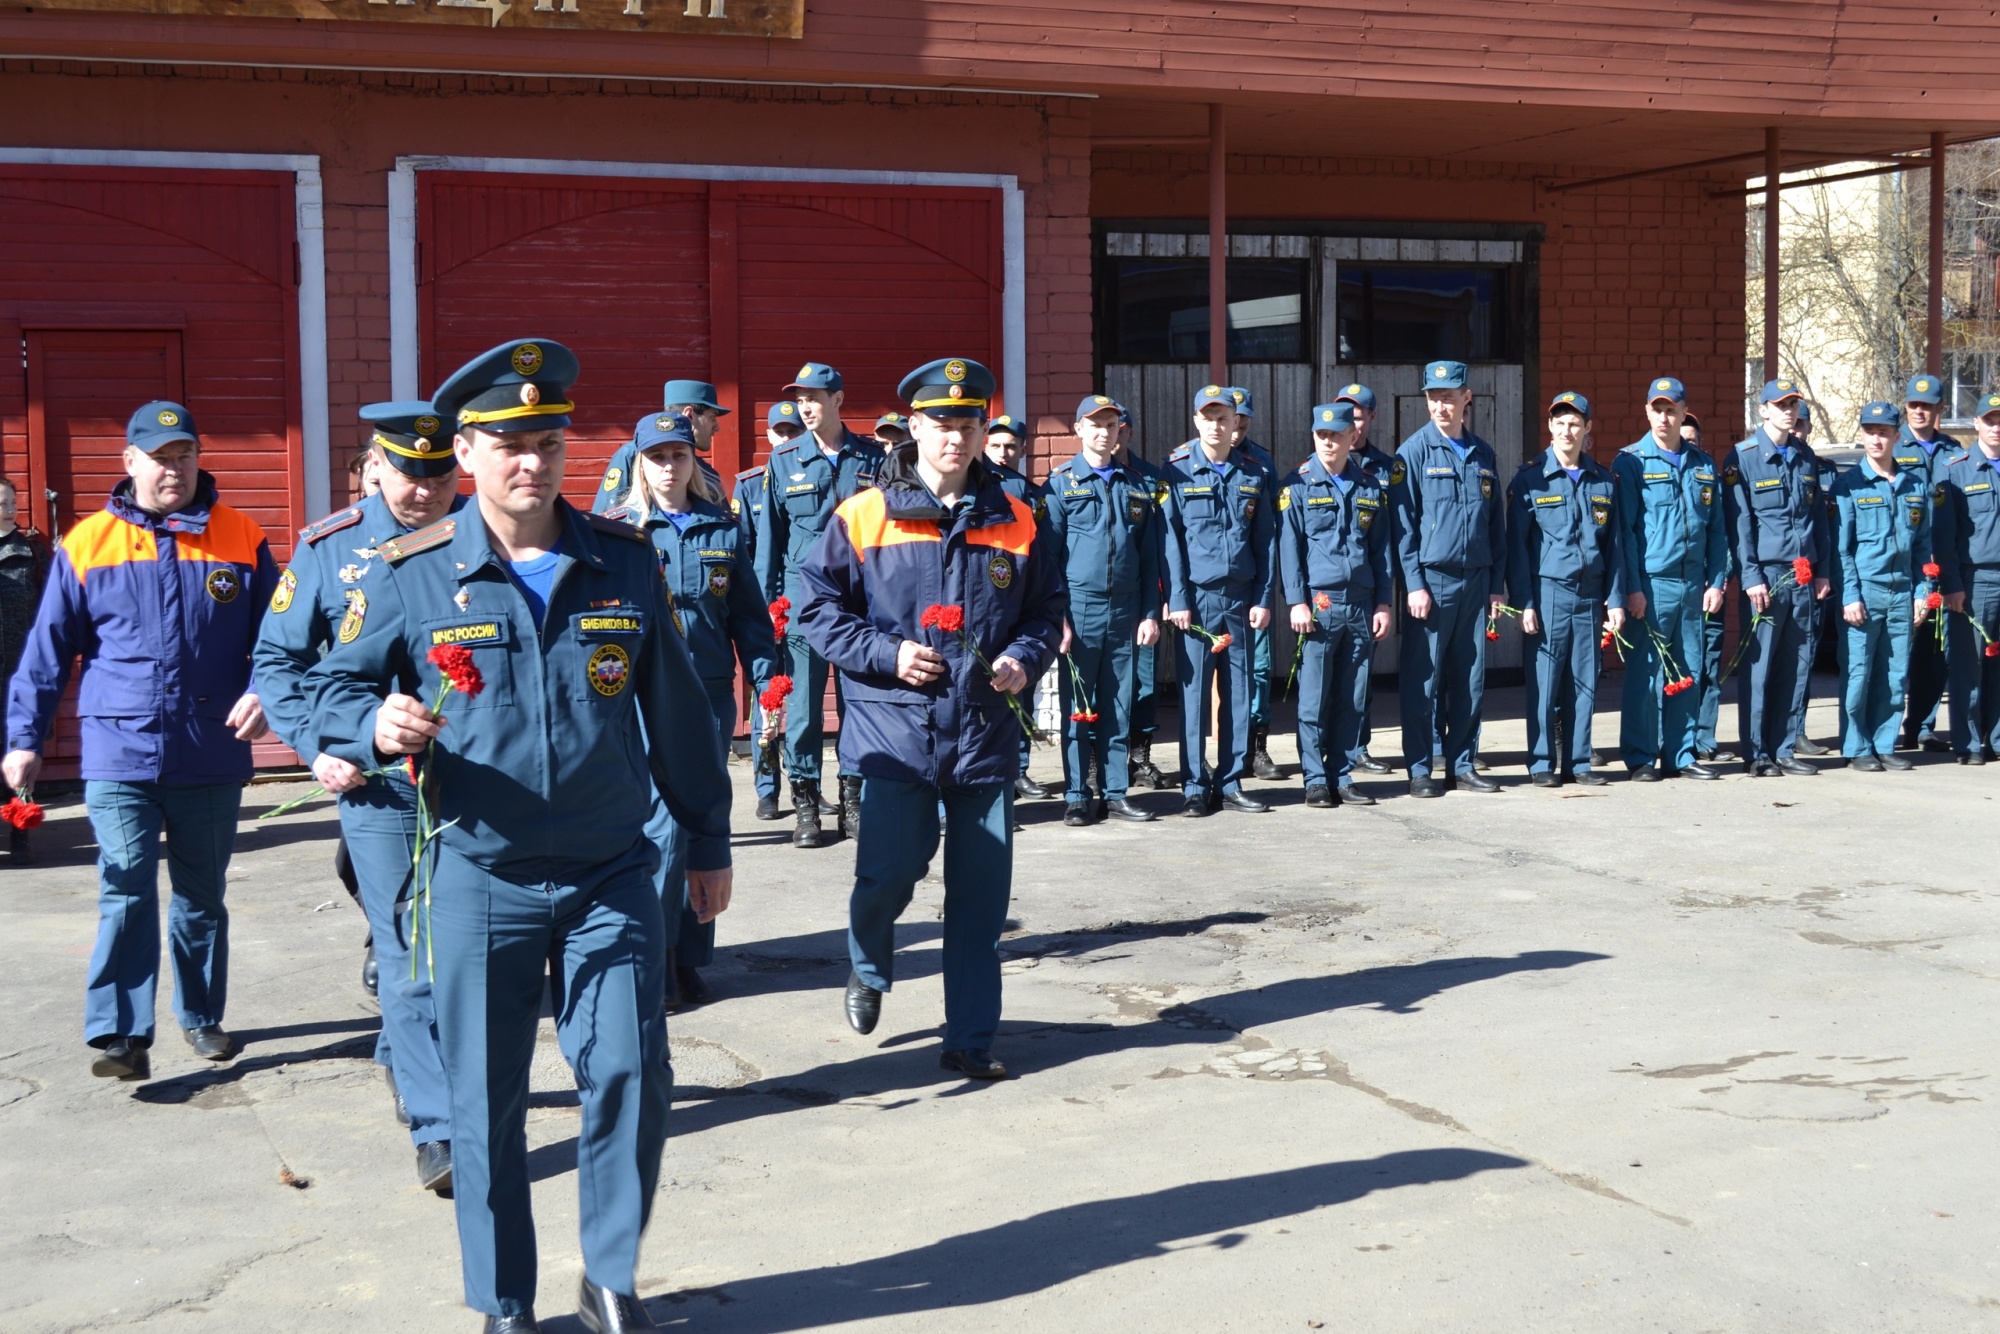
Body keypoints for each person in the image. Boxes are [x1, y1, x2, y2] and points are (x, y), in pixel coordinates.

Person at [307, 340, 732, 1334]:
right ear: (465, 452)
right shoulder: (409, 570)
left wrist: (706, 837)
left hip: (610, 869)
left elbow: (675, 712)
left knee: (629, 1069)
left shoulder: (620, 560)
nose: (528, 462)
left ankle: (611, 1275)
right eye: (505, 445)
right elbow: (329, 684)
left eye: (544, 441)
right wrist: (368, 729)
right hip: (478, 873)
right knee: (486, 1103)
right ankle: (504, 1301)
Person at [798, 356, 1062, 1081]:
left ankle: (970, 1037)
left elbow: (1044, 612)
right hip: (895, 736)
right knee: (887, 876)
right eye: (941, 423)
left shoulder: (1018, 518)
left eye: (968, 423)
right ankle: (868, 963)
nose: (955, 435)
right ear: (912, 428)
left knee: (980, 900)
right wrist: (887, 653)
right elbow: (818, 610)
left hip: (982, 733)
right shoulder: (863, 513)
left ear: (983, 432)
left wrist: (1024, 659)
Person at [5, 401, 276, 1081]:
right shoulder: (88, 543)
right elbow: (45, 653)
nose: (173, 469)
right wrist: (24, 739)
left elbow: (279, 641)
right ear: (129, 463)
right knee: (124, 886)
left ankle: (201, 1016)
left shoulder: (240, 537)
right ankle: (122, 1033)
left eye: (184, 455)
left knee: (201, 896)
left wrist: (268, 692)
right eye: (159, 457)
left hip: (210, 750)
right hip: (118, 748)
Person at [253, 400, 462, 1189]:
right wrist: (318, 747)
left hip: (473, 784)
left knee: (462, 952)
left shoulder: (483, 536)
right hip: (379, 791)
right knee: (414, 958)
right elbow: (280, 661)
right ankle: (439, 1130)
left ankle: (407, 1059)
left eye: (439, 474)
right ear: (378, 465)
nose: (424, 491)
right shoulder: (330, 549)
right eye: (410, 474)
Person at [606, 411, 777, 1009]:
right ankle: (657, 958)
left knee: (703, 821)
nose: (670, 467)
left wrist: (768, 688)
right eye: (657, 457)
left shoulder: (722, 531)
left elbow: (751, 623)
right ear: (639, 464)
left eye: (679, 455)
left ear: (692, 461)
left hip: (705, 696)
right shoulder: (616, 532)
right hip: (639, 702)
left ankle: (689, 956)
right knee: (661, 828)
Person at [755, 362, 883, 848]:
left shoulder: (871, 458)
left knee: (859, 705)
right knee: (805, 711)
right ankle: (805, 804)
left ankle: (853, 800)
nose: (806, 406)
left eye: (815, 397)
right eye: (800, 398)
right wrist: (769, 608)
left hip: (859, 606)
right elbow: (770, 542)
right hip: (805, 604)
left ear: (838, 400)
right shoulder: (784, 460)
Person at [1388, 360, 1506, 798]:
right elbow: (1404, 528)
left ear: (1466, 398)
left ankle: (1462, 763)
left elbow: (1497, 527)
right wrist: (1413, 584)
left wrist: (1496, 584)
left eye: (1449, 397)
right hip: (1432, 582)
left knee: (1470, 678)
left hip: (1475, 581)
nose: (1441, 405)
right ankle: (1420, 768)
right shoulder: (1412, 454)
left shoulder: (1483, 453)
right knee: (1423, 678)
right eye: (1433, 397)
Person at [1044, 393, 1161, 824]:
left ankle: (1114, 792)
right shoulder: (1059, 485)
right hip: (1079, 610)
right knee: (1078, 707)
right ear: (1078, 430)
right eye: (1094, 425)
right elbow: (1048, 561)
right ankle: (1076, 794)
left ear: (1119, 432)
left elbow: (1150, 557)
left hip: (1126, 611)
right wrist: (1057, 617)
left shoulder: (1137, 485)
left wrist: (1150, 612)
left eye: (1110, 425)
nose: (1102, 432)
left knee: (1118, 705)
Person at [1161, 385, 1277, 815]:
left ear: (1235, 423)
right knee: (1193, 697)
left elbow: (1266, 542)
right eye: (1208, 418)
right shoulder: (1175, 471)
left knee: (1239, 693)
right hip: (1197, 598)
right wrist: (1177, 598)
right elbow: (1169, 539)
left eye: (1223, 417)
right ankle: (1194, 785)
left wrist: (1264, 597)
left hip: (1241, 598)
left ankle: (1229, 782)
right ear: (1196, 421)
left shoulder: (1254, 472)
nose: (1216, 425)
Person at [1611, 378, 1728, 780]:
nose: (1664, 416)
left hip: (1694, 584)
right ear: (1647, 412)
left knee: (1689, 669)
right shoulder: (1631, 462)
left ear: (1683, 412)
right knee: (1646, 673)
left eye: (1672, 409)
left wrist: (1717, 581)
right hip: (1653, 584)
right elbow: (1624, 533)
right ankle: (1642, 757)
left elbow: (1717, 530)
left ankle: (1681, 754)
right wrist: (1633, 588)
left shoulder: (1703, 464)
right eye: (1657, 409)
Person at [1279, 401, 1392, 808]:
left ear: (1352, 437)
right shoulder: (1297, 485)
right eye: (1321, 435)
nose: (1329, 442)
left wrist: (1384, 603)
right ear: (1314, 437)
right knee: (1314, 698)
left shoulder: (1368, 487)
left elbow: (1381, 553)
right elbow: (1289, 549)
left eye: (1337, 435)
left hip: (1361, 604)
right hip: (1321, 603)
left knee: (1354, 696)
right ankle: (1314, 778)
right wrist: (1296, 601)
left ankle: (1341, 774)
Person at [1509, 392, 1619, 787]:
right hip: (1549, 593)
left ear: (1588, 429)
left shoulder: (1603, 480)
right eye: (1559, 422)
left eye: (1575, 423)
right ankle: (1541, 763)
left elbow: (1615, 545)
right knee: (1544, 684)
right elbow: (1517, 549)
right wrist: (1524, 602)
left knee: (1584, 682)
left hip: (1589, 594)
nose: (1566, 430)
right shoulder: (1531, 479)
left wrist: (1616, 598)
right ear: (1550, 427)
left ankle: (1579, 763)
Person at [1723, 378, 1832, 777]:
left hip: (1803, 576)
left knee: (1797, 664)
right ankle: (1756, 753)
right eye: (1780, 404)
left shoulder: (1805, 456)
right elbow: (1740, 525)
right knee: (1759, 667)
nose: (1789, 411)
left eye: (1794, 404)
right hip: (1766, 577)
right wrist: (1751, 576)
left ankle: (1784, 748)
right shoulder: (1744, 457)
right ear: (1763, 410)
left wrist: (1822, 571)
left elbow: (1818, 518)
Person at [1833, 401, 1934, 772]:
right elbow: (1841, 550)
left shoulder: (1914, 485)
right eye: (1870, 431)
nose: (1876, 439)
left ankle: (1884, 742)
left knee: (1895, 674)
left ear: (1896, 435)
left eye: (1884, 432)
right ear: (1863, 434)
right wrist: (1850, 595)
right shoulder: (1848, 486)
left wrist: (1925, 591)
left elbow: (1924, 545)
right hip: (1866, 591)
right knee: (1859, 673)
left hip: (1903, 591)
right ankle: (1857, 747)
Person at [734, 401, 802, 823]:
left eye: (794, 432)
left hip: (801, 607)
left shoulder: (811, 479)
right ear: (769, 437)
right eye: (780, 432)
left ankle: (803, 785)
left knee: (804, 704)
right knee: (767, 698)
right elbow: (741, 553)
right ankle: (767, 789)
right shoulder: (749, 484)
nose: (786, 439)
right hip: (762, 609)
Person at [982, 413, 1053, 800]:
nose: (1004, 453)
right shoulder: (977, 483)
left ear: (1023, 450)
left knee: (1021, 683)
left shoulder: (1031, 492)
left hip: (1019, 594)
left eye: (1011, 446)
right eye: (996, 445)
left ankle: (1019, 767)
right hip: (986, 593)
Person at [1896, 373, 1963, 752]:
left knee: (1935, 650)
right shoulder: (1893, 444)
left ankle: (1921, 726)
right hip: (1905, 565)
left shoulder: (1953, 450)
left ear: (1940, 408)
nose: (1919, 411)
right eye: (1913, 405)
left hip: (1944, 563)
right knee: (1895, 649)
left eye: (1927, 405)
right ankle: (1884, 727)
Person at [1332, 383, 1397, 776]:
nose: (1351, 424)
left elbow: (1394, 532)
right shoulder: (1316, 467)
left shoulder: (1387, 470)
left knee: (1360, 675)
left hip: (1369, 584)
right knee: (1325, 676)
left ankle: (1357, 747)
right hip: (1328, 592)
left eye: (1358, 416)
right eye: (1345, 415)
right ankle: (1327, 748)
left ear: (1371, 418)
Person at [1933, 389, 2000, 764]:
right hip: (1975, 581)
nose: (1996, 428)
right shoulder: (1956, 469)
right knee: (1968, 667)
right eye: (1989, 420)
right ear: (1977, 424)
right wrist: (1952, 585)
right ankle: (1969, 743)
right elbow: (1944, 537)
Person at [1225, 388, 1284, 781]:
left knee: (1259, 668)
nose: (1238, 425)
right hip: (1210, 590)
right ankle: (1218, 753)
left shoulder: (1261, 462)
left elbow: (1270, 531)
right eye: (1234, 417)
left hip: (1251, 585)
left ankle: (1257, 747)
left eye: (1244, 419)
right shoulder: (1187, 460)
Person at [1118, 406, 1174, 791]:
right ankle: (1100, 761)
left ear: (1130, 434)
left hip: (1145, 601)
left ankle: (1140, 758)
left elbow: (1165, 545)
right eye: (1105, 427)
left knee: (1144, 682)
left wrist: (1167, 596)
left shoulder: (1151, 479)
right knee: (1105, 684)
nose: (1113, 436)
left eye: (1119, 429)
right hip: (1104, 600)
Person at [1678, 413, 1737, 766]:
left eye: (1693, 440)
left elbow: (1724, 536)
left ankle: (1704, 738)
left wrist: (1719, 579)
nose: (1687, 445)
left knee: (1709, 669)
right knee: (1676, 668)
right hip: (1677, 588)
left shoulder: (1710, 479)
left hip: (1710, 591)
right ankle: (1669, 738)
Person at [590, 378, 729, 514]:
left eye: (679, 456)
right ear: (689, 415)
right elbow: (606, 517)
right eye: (712, 417)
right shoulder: (632, 454)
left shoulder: (708, 472)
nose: (717, 427)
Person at [0, 477, 49, 862]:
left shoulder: (31, 550)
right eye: (1, 503)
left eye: (11, 501)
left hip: (17, 672)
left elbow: (49, 611)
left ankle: (21, 832)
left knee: (18, 752)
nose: (8, 508)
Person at [1791, 400, 1840, 757]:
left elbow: (1830, 528)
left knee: (1806, 658)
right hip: (1781, 577)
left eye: (1801, 425)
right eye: (1791, 424)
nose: (1795, 429)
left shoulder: (1826, 471)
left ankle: (1798, 729)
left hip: (1816, 580)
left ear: (1808, 429)